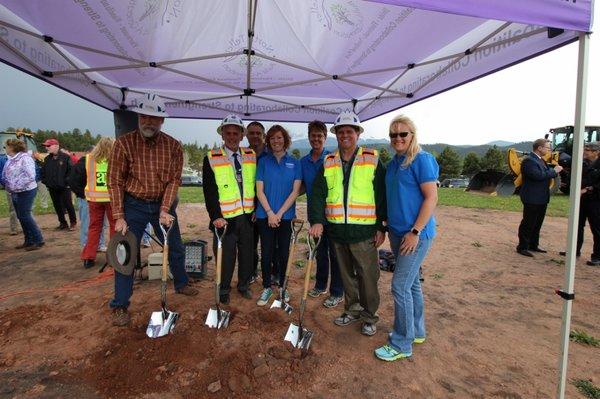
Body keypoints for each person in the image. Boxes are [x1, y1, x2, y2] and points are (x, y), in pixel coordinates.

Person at [108, 92, 198, 327]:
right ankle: (120, 305)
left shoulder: (173, 147)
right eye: (144, 117)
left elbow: (173, 182)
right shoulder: (123, 144)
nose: (148, 121)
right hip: (133, 205)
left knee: (175, 246)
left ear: (162, 121)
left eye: (153, 118)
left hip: (161, 204)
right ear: (138, 117)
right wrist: (118, 216)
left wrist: (165, 210)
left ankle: (181, 283)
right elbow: (115, 181)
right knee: (124, 253)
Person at [308, 111, 386, 336]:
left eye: (349, 131)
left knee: (368, 277)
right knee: (346, 277)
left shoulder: (372, 158)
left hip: (364, 233)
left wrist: (381, 227)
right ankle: (351, 310)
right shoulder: (329, 161)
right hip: (337, 232)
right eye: (340, 132)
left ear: (358, 134)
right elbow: (317, 194)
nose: (344, 135)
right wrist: (317, 221)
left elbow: (381, 196)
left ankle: (370, 316)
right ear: (336, 135)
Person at [374, 115, 439, 361]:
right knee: (411, 284)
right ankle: (416, 331)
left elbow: (431, 198)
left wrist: (415, 231)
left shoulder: (422, 160)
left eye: (403, 134)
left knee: (399, 286)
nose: (398, 138)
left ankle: (402, 343)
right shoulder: (394, 163)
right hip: (396, 232)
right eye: (393, 135)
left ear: (413, 134)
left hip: (415, 234)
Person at [203, 114, 256, 304]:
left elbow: (255, 185)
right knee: (226, 257)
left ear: (242, 135)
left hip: (248, 217)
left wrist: (256, 208)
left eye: (236, 133)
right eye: (228, 133)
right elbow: (209, 191)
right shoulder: (212, 158)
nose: (232, 137)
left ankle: (244, 285)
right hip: (225, 219)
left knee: (247, 255)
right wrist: (215, 216)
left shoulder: (251, 156)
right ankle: (224, 289)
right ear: (222, 135)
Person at [255, 125, 302, 306]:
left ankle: (283, 287)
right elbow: (259, 191)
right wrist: (269, 213)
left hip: (286, 216)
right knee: (266, 253)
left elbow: (295, 191)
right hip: (264, 215)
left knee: (283, 253)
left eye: (279, 138)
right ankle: (267, 286)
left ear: (285, 140)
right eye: (273, 138)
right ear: (269, 141)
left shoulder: (295, 163)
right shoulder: (263, 162)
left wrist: (279, 214)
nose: (276, 141)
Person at [300, 120, 344, 308]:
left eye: (320, 135)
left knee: (335, 254)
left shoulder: (334, 158)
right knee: (319, 252)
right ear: (309, 137)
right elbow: (300, 186)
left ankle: (337, 291)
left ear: (325, 138)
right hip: (315, 215)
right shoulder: (304, 162)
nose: (316, 139)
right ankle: (320, 285)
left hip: (334, 214)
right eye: (313, 135)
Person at [70, 138, 116, 269]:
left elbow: (75, 178)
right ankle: (113, 257)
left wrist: (82, 193)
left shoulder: (88, 159)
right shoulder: (115, 160)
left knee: (94, 228)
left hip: (94, 200)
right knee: (114, 227)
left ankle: (88, 257)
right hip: (112, 199)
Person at [516, 139, 563, 257]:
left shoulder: (541, 160)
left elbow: (544, 174)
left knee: (537, 223)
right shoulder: (529, 161)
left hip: (541, 197)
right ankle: (522, 247)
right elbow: (537, 176)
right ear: (539, 148)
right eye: (547, 148)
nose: (549, 150)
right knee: (528, 222)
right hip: (532, 197)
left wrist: (552, 172)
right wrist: (554, 171)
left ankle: (533, 244)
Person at [560, 142, 600, 266]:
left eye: (588, 149)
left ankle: (597, 256)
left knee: (597, 228)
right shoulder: (581, 162)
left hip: (595, 201)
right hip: (581, 200)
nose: (585, 151)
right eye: (585, 148)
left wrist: (589, 189)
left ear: (596, 152)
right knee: (577, 226)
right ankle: (574, 250)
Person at [1, 139, 44, 250]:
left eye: (6, 147)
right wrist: (7, 184)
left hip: (27, 191)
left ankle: (38, 240)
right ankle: (28, 240)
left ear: (12, 147)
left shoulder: (25, 159)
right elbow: (5, 174)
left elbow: (30, 176)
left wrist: (15, 185)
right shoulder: (10, 160)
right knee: (21, 216)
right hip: (14, 192)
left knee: (25, 215)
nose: (5, 149)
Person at [70, 145, 108, 252]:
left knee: (99, 224)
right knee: (88, 224)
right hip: (87, 199)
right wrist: (83, 194)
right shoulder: (82, 164)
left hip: (97, 199)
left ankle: (99, 244)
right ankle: (87, 245)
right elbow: (73, 181)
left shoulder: (99, 164)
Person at [40, 138, 77, 231]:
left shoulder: (66, 157)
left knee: (68, 204)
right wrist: (46, 182)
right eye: (45, 146)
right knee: (57, 206)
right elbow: (43, 172)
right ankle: (62, 223)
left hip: (64, 187)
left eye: (48, 146)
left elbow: (71, 171)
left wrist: (66, 182)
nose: (46, 148)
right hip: (52, 187)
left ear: (56, 146)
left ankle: (73, 222)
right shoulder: (47, 159)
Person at [247, 121, 268, 283]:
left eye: (258, 133)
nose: (255, 136)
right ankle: (252, 272)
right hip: (248, 208)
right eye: (251, 133)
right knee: (250, 244)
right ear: (246, 135)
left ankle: (273, 274)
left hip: (268, 207)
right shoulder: (242, 155)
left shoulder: (271, 155)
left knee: (270, 245)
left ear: (264, 136)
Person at [0, 151, 20, 235]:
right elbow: (1, 173)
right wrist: (6, 184)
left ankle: (27, 226)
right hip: (9, 188)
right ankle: (14, 228)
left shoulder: (22, 158)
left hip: (23, 187)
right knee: (12, 208)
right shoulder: (2, 159)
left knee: (27, 208)